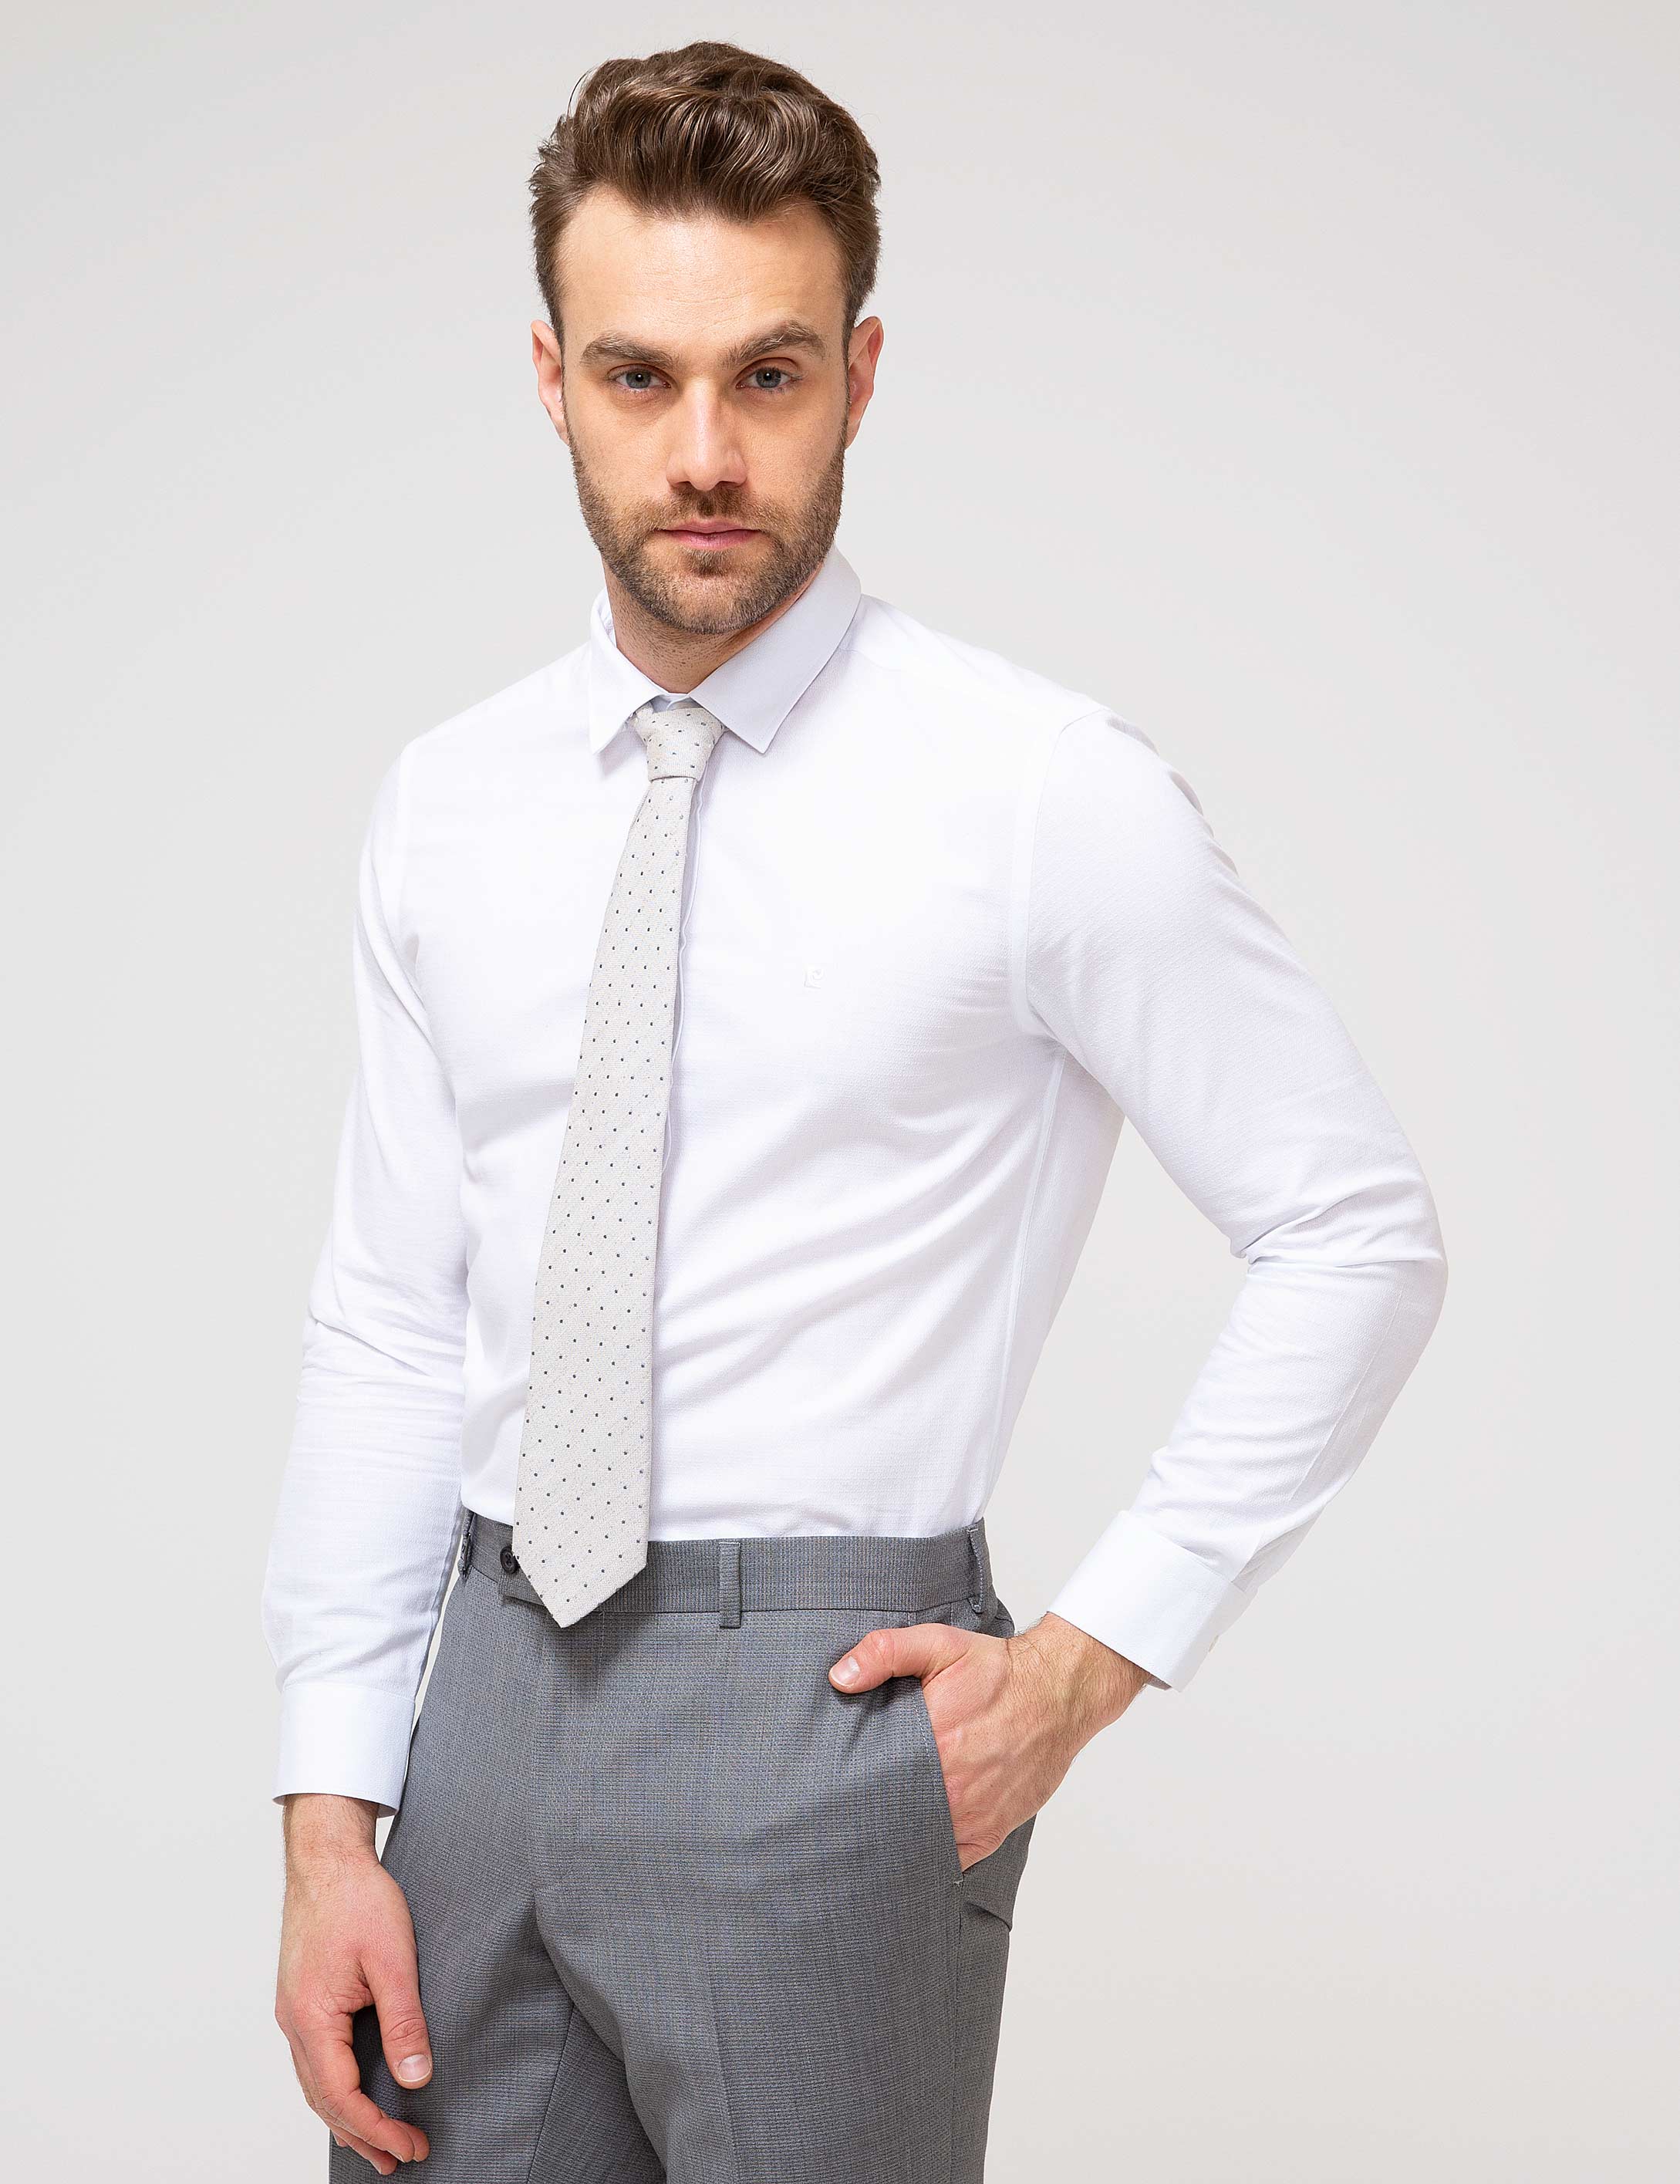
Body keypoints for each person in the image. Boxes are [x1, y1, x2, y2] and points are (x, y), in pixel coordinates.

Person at [264, 38, 1449, 2183]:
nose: (705, 454)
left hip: (820, 1716)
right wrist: (330, 1812)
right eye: (639, 377)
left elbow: (1353, 1231)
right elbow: (387, 1315)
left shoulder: (1038, 793)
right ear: (549, 380)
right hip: (477, 1708)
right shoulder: (449, 804)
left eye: (771, 375)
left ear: (862, 376)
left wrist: (1082, 1665)